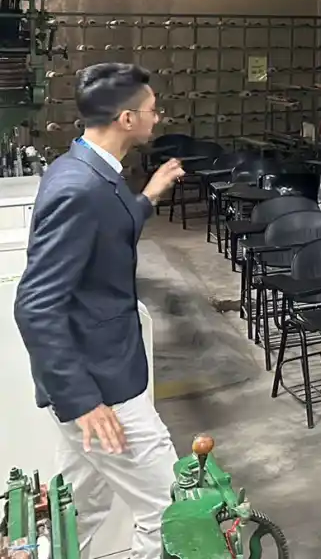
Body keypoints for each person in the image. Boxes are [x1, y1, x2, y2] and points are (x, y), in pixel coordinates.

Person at [14, 63, 187, 559]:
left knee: (79, 508)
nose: (158, 117)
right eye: (152, 109)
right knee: (172, 511)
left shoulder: (86, 169)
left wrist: (148, 196)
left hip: (97, 377)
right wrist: (83, 401)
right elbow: (35, 304)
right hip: (102, 390)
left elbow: (108, 230)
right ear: (127, 118)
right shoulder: (80, 188)